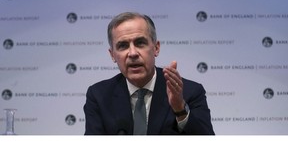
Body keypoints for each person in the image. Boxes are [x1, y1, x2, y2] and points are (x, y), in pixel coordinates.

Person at [83, 12, 214, 135]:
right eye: (123, 46)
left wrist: (180, 108)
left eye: (140, 43)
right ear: (112, 55)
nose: (133, 53)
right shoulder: (99, 96)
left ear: (156, 48)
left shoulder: (190, 92)